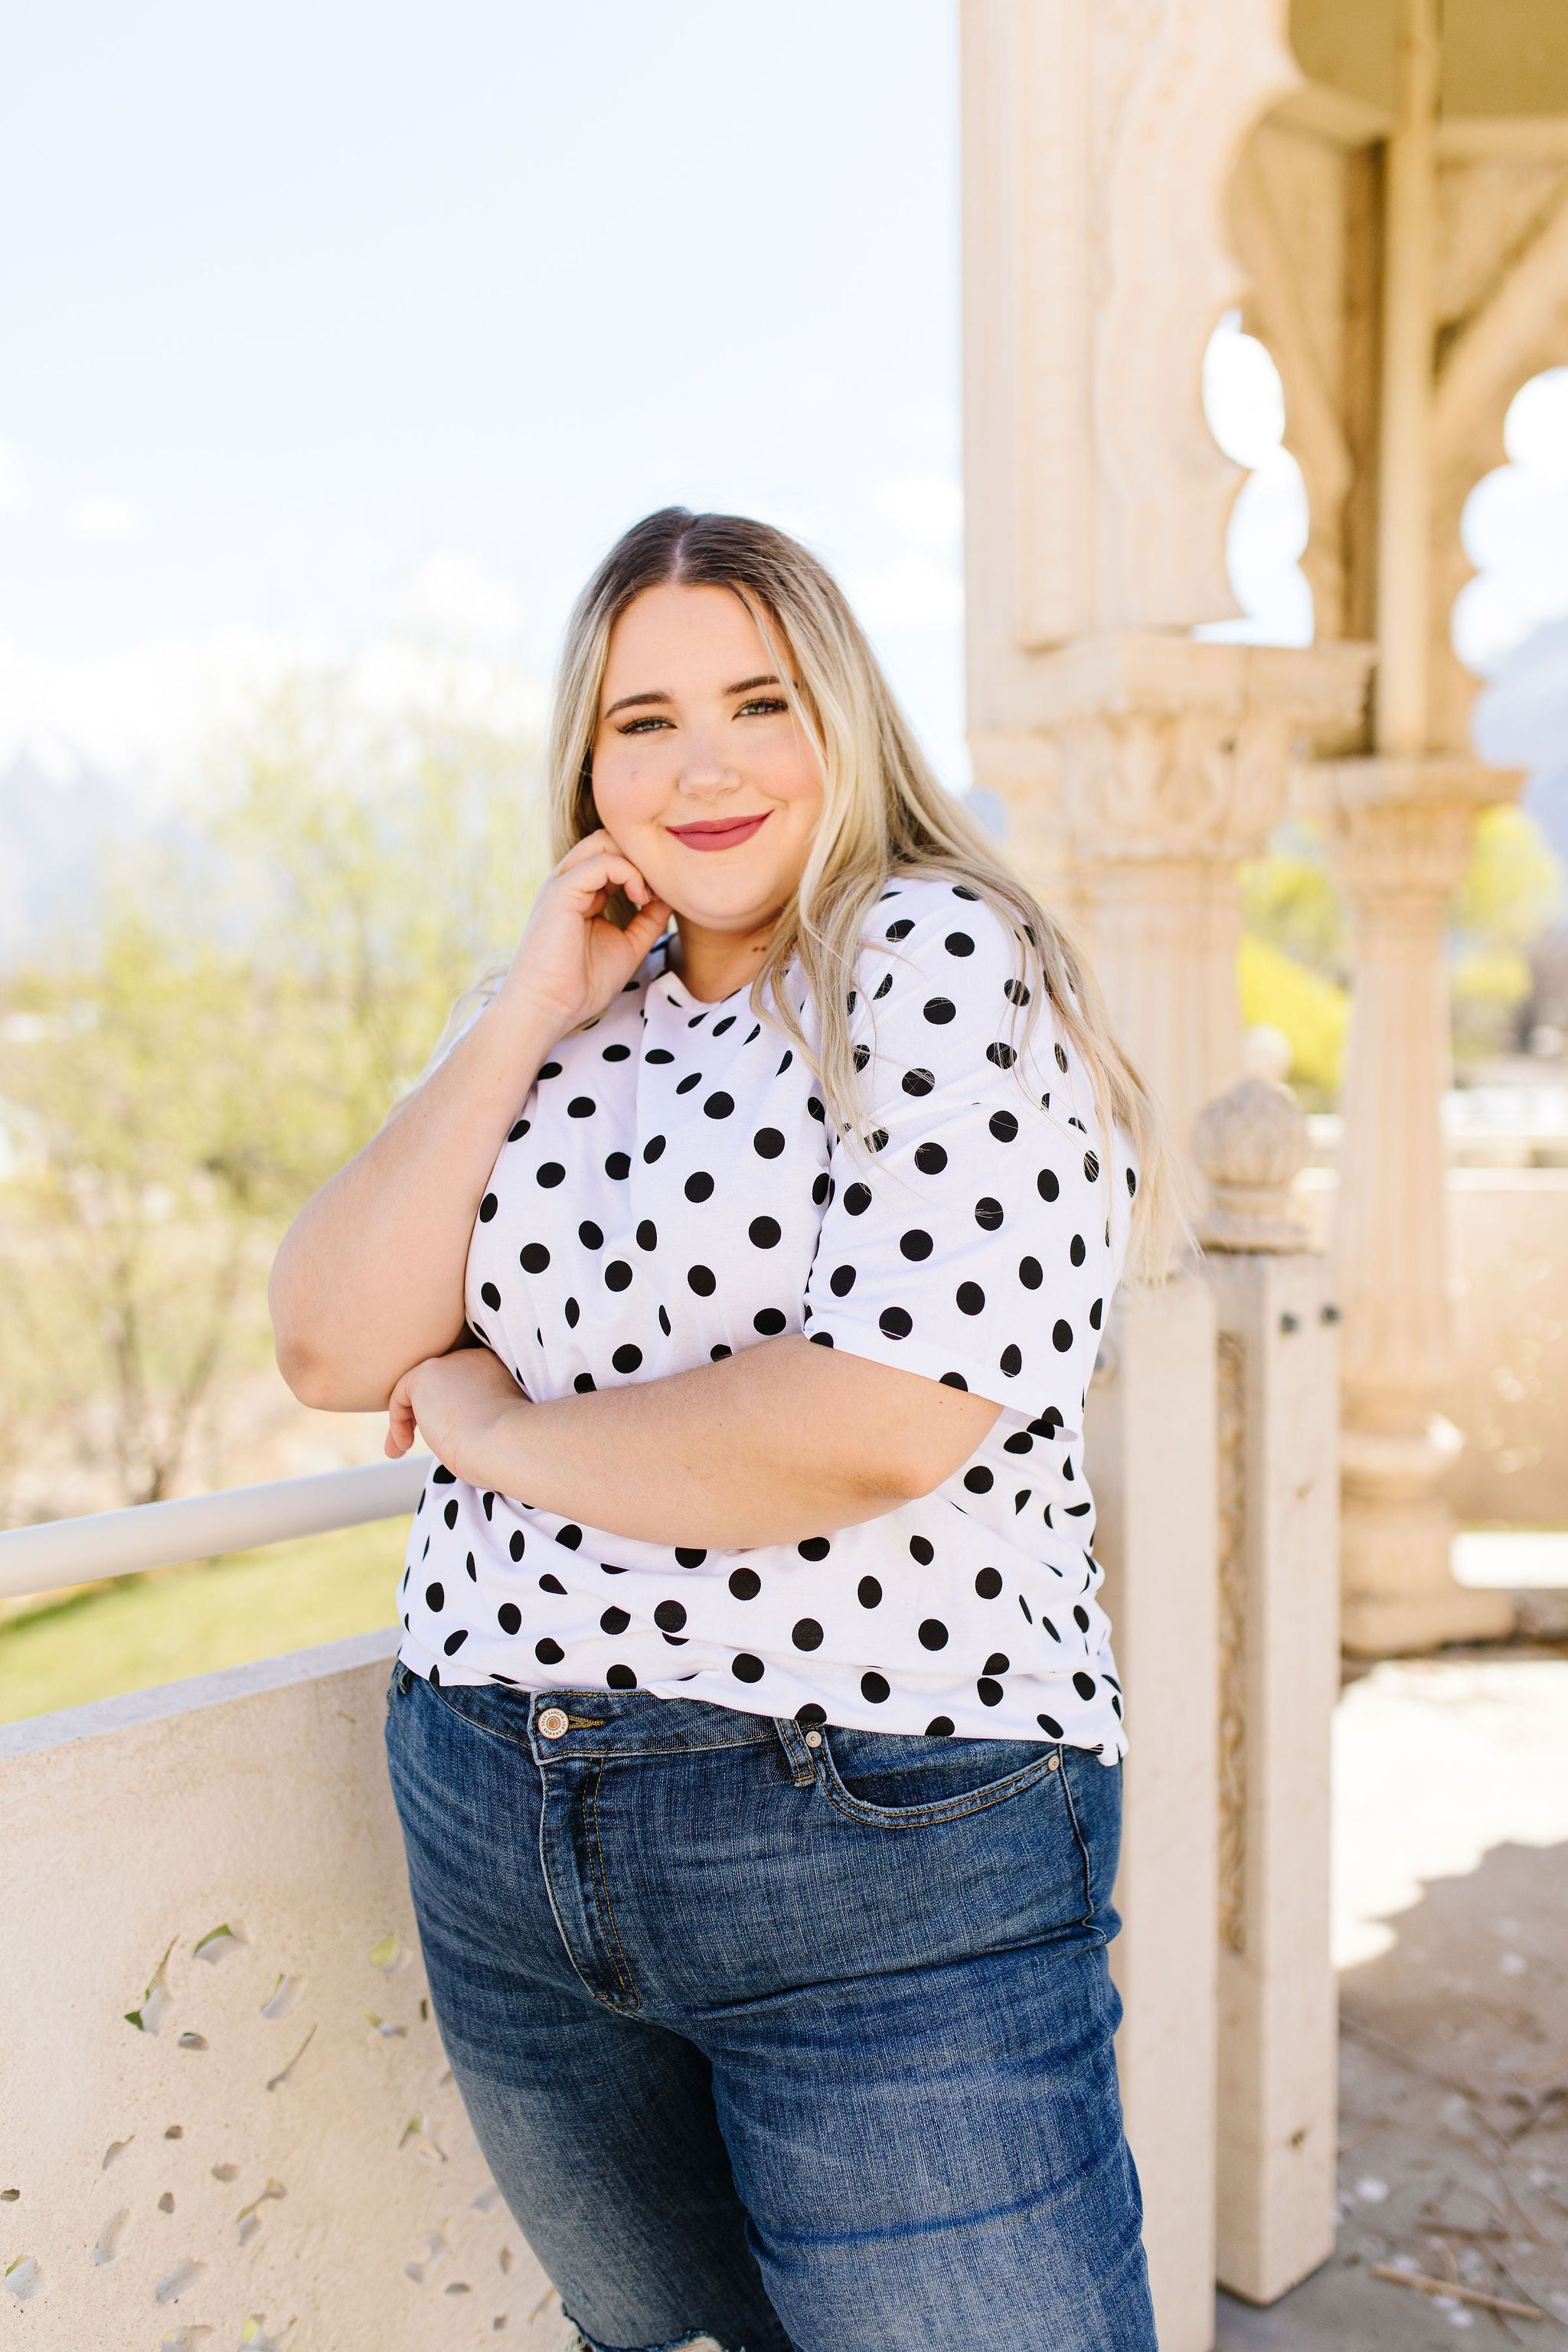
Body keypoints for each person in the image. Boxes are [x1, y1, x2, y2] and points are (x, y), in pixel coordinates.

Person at [270, 506, 1179, 2352]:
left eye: (760, 704)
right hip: (497, 1807)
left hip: (873, 1830)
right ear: (587, 764)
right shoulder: (547, 1007)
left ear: (843, 717)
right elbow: (328, 1338)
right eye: (644, 722)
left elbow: (872, 1418)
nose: (704, 769)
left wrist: (492, 1429)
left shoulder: (935, 955)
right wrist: (530, 1006)